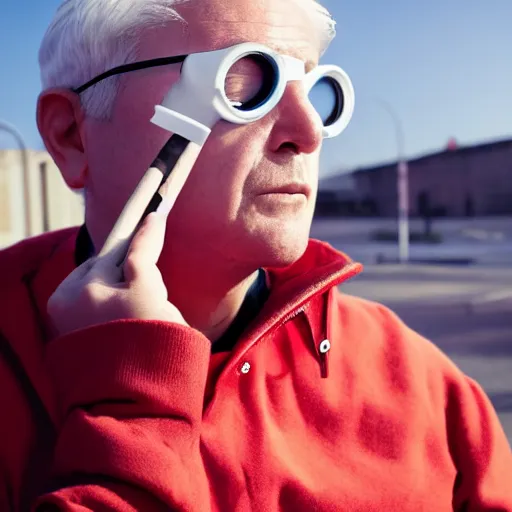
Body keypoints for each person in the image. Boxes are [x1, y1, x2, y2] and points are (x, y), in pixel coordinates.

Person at [1, 0, 511, 510]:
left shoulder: (423, 389)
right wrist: (129, 404)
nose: (308, 132)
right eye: (245, 82)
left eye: (317, 90)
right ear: (71, 136)